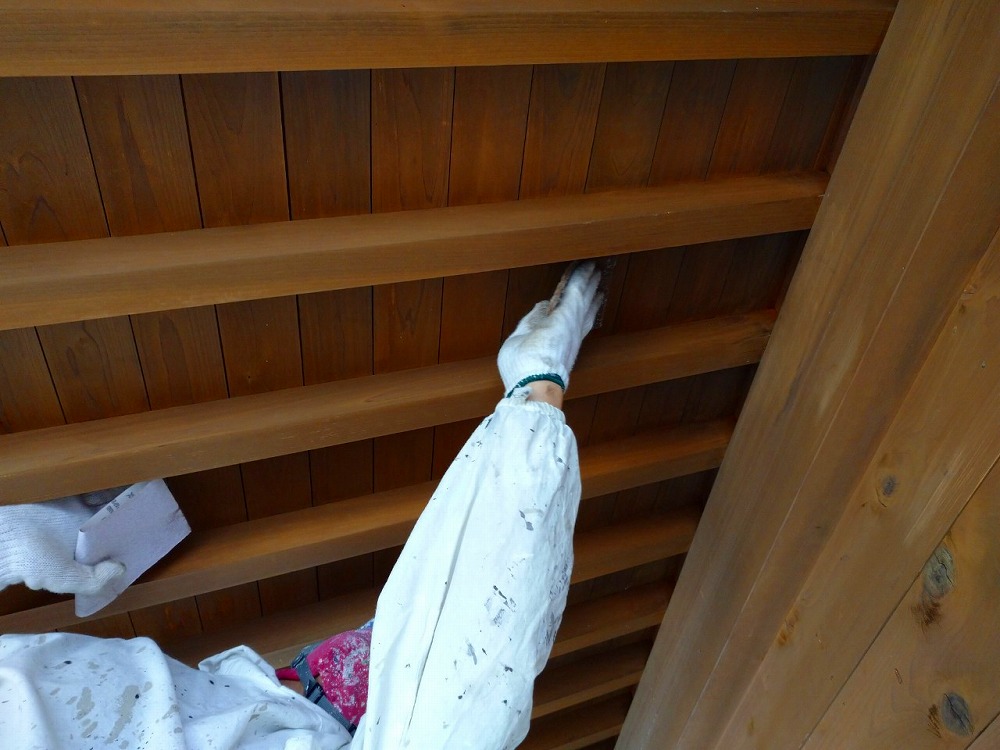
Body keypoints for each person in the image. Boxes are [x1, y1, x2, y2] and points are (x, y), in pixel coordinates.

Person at [0, 261, 604, 750]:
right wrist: (536, 390)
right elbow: (467, 698)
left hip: (281, 702)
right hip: (331, 714)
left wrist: (13, 545)